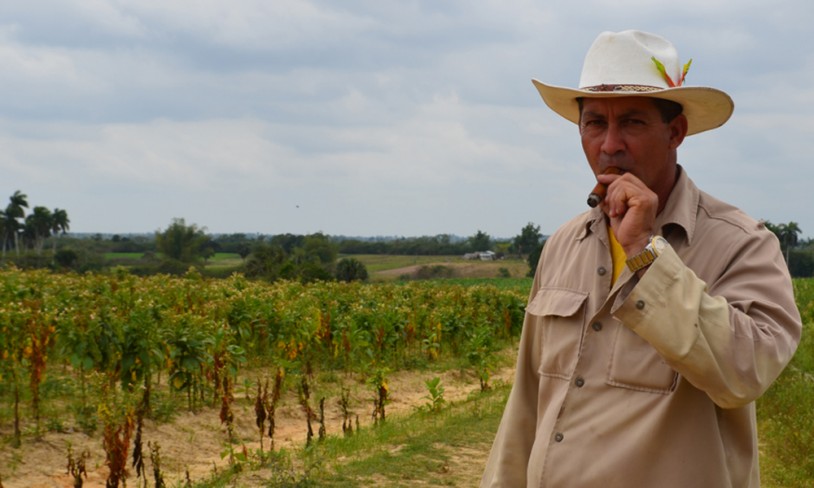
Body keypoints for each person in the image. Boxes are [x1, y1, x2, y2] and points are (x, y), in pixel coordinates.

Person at [481, 30, 802, 487]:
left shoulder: (741, 244)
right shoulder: (564, 244)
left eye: (631, 122)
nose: (609, 145)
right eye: (594, 123)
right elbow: (528, 404)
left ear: (676, 132)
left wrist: (643, 253)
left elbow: (746, 373)